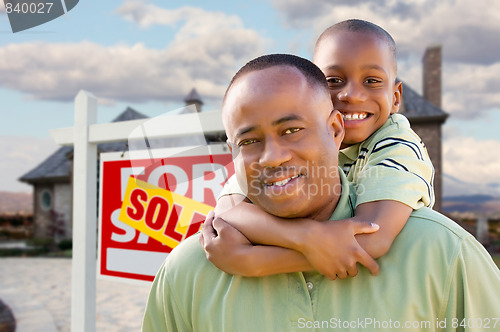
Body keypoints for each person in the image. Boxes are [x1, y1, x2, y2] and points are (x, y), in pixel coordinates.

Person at [142, 54, 500, 332]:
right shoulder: (187, 271)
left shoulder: (444, 254)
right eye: (249, 141)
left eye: (292, 130)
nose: (272, 157)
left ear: (335, 129)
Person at [205, 19, 434, 279]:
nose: (352, 95)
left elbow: (371, 238)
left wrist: (253, 262)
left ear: (395, 97)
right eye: (334, 80)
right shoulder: (287, 147)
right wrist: (306, 237)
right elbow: (229, 212)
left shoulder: (398, 146)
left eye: (371, 81)